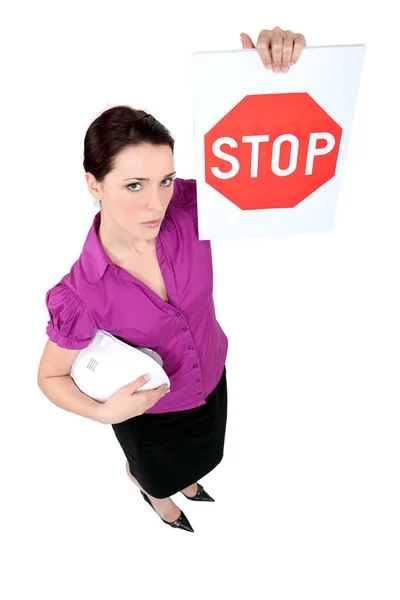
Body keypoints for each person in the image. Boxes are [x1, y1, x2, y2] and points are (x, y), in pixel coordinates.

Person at [37, 26, 307, 533]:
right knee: (158, 471)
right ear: (93, 184)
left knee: (205, 453)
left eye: (164, 180)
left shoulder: (190, 208)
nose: (156, 202)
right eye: (133, 185)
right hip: (151, 414)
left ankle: (186, 479)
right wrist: (103, 413)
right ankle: (154, 492)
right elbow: (49, 377)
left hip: (212, 376)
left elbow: (267, 163)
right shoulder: (81, 293)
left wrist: (267, 81)